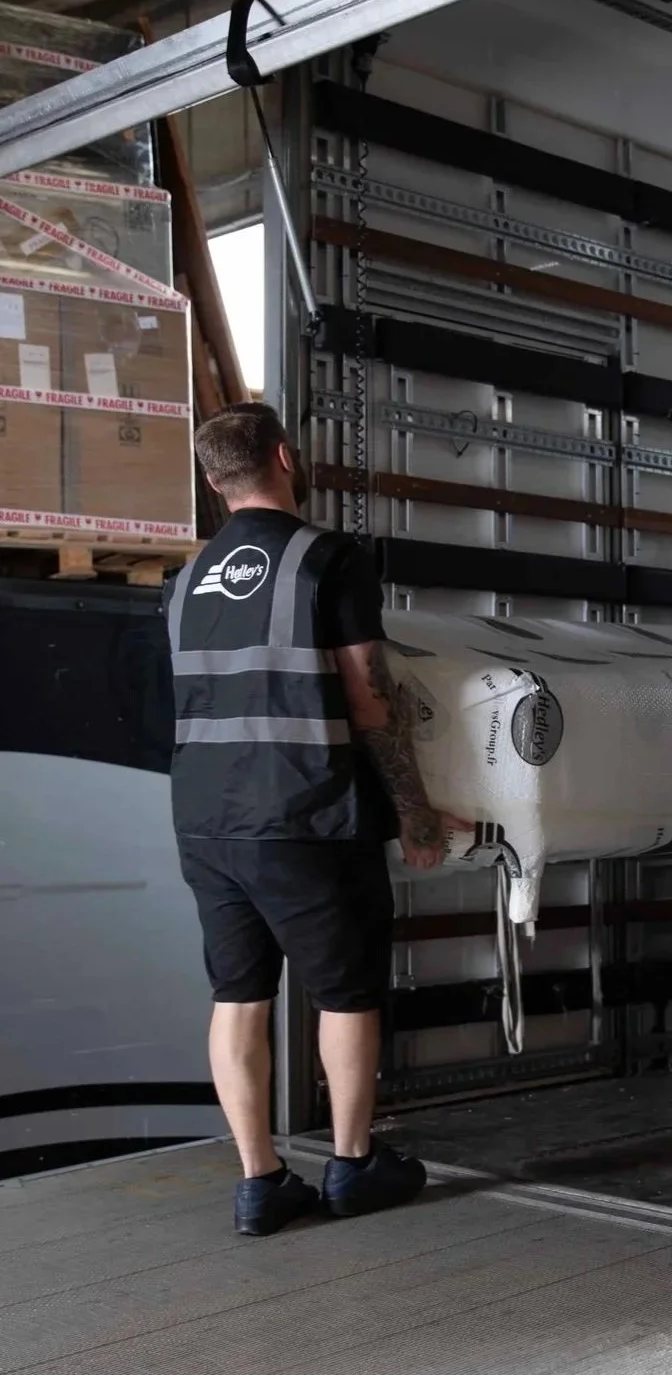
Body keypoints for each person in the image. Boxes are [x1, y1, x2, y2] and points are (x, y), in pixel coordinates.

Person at [166, 402, 467, 1236]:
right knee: (347, 993)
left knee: (237, 993)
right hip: (305, 812)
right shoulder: (325, 559)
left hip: (205, 817)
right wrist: (414, 813)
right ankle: (350, 1165)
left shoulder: (186, 579)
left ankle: (260, 1184)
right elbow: (370, 701)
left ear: (213, 480)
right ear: (286, 458)